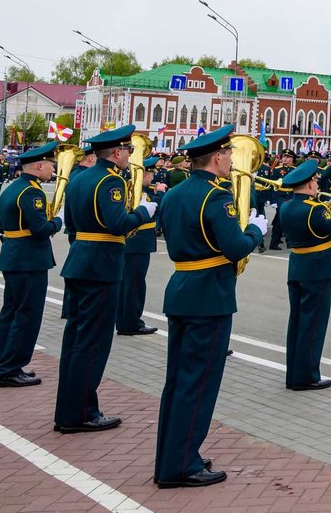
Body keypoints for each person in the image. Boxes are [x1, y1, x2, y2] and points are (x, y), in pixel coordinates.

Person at [154, 126, 265, 487]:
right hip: (208, 296)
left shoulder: (173, 193)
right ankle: (183, 464)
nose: (233, 159)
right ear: (217, 158)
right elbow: (235, 246)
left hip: (182, 288)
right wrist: (256, 231)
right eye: (230, 154)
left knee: (178, 381)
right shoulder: (217, 197)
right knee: (198, 383)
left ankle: (171, 457)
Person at [53, 125, 156, 434]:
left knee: (75, 341)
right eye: (128, 151)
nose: (130, 156)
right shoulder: (111, 181)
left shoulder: (79, 178)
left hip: (81, 261)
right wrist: (142, 212)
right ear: (116, 153)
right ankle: (83, 412)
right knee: (93, 343)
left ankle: (68, 410)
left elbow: (71, 225)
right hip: (101, 267)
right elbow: (117, 224)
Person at [0, 142, 62, 386]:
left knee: (11, 313)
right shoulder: (32, 191)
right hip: (28, 259)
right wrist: (58, 221)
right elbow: (40, 229)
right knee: (26, 315)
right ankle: (10, 368)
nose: (52, 169)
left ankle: (3, 363)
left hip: (14, 255)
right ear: (39, 165)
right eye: (51, 164)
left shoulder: (13, 186)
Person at [276, 158, 331, 390]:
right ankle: (307, 376)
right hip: (317, 269)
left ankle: (295, 374)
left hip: (298, 265)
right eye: (316, 182)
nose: (318, 185)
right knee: (313, 324)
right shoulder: (315, 209)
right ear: (309, 185)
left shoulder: (287, 206)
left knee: (297, 322)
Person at [116, 161, 163, 338]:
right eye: (150, 175)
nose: (153, 178)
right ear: (143, 175)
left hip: (133, 243)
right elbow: (154, 209)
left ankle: (123, 320)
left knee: (127, 282)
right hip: (138, 242)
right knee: (134, 284)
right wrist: (161, 195)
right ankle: (131, 322)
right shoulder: (142, 194)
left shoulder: (130, 189)